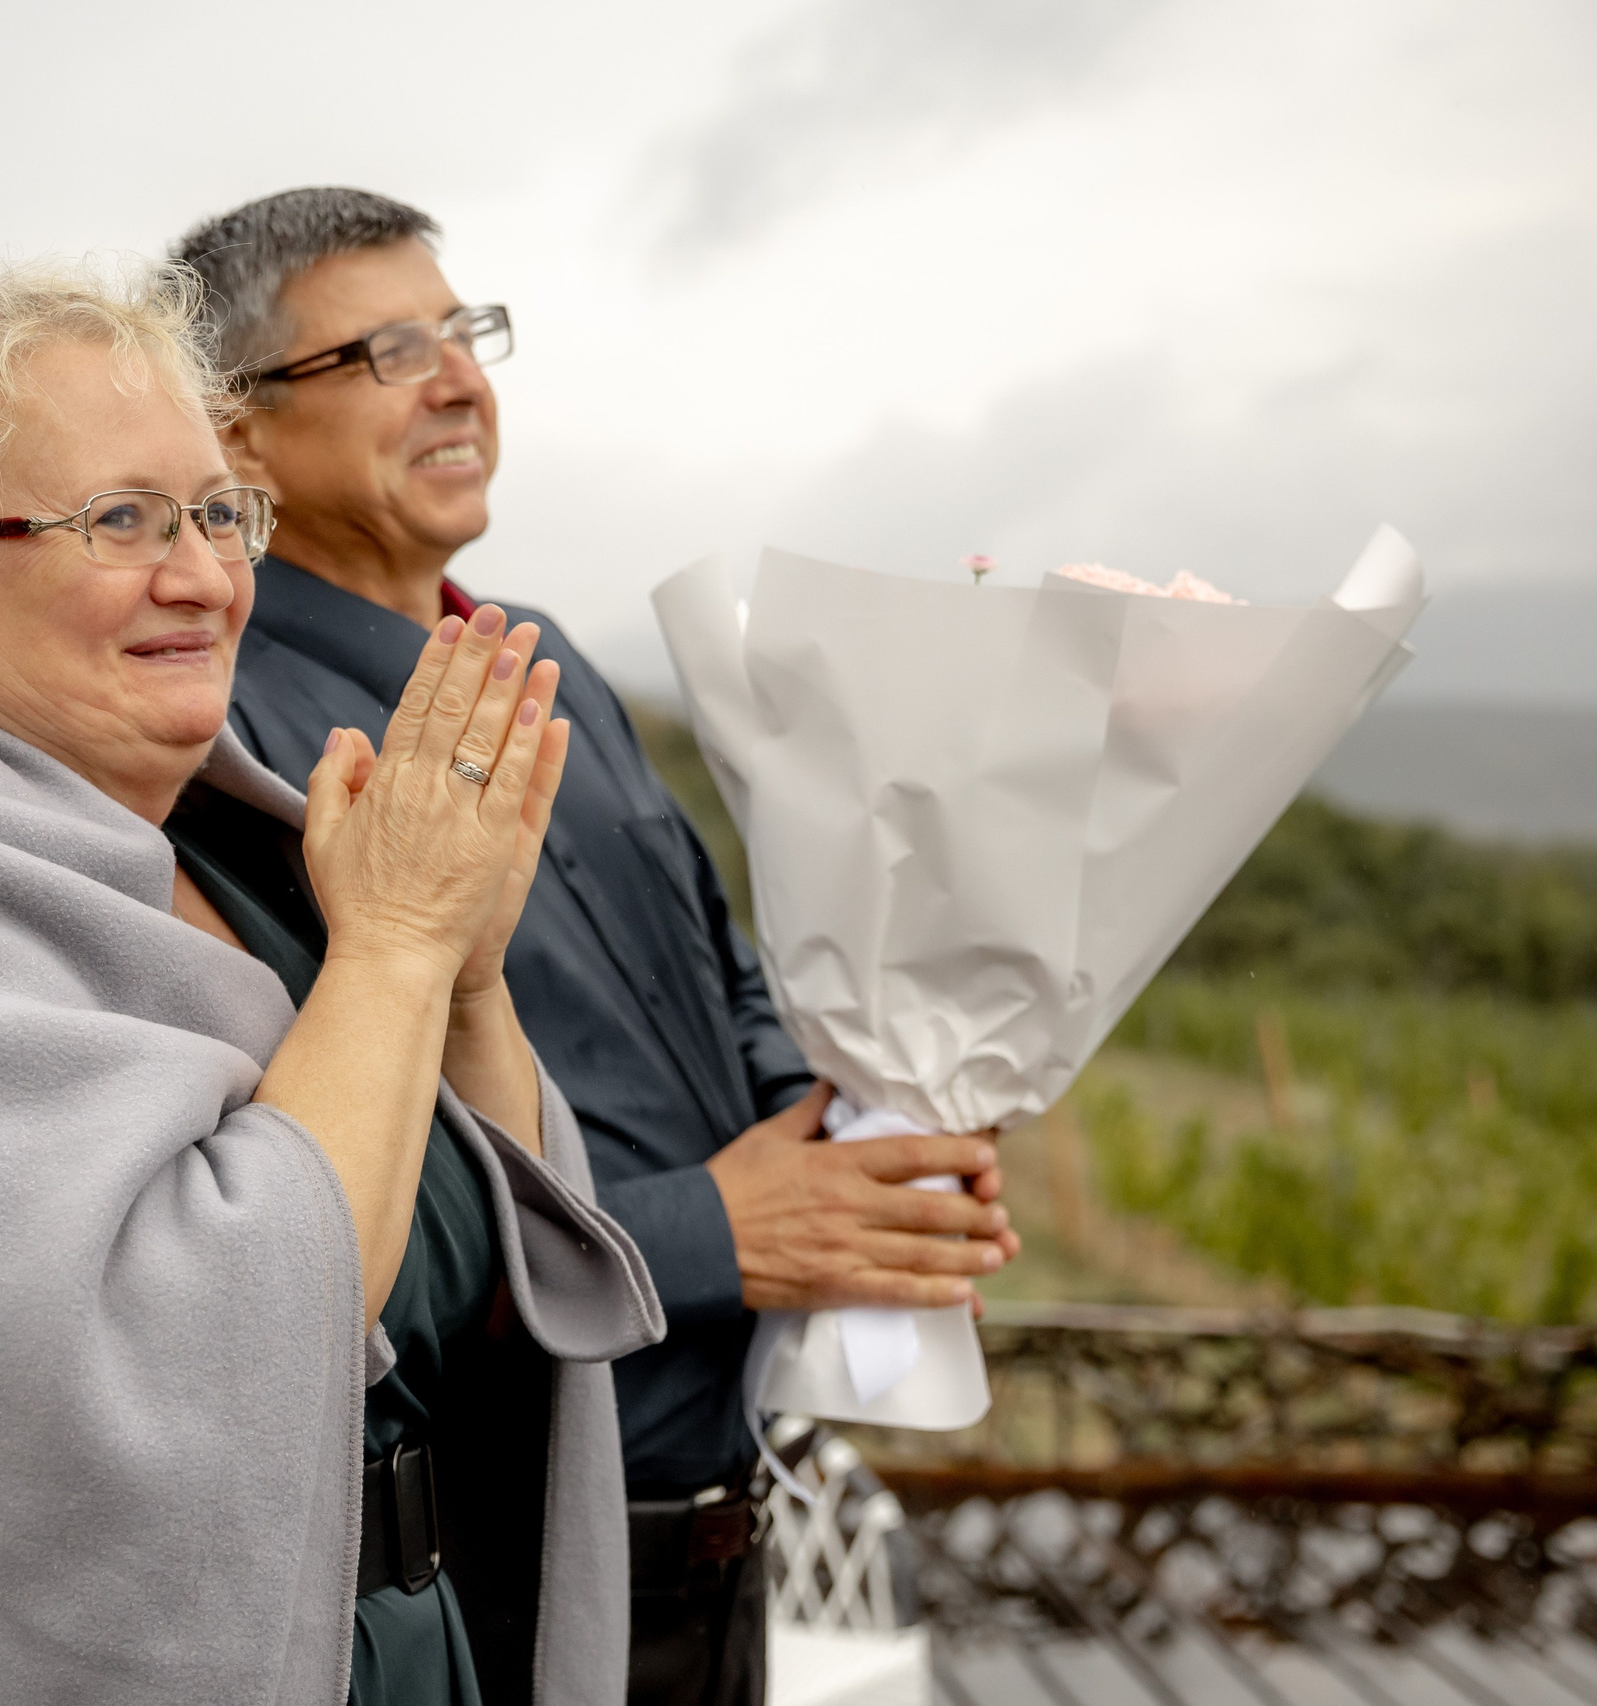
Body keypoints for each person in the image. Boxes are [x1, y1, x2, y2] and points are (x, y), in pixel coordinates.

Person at [0, 263, 664, 1706]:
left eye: (220, 513)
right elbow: (192, 1361)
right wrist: (397, 947)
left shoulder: (243, 850)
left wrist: (460, 981)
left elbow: (491, 1269)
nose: (204, 577)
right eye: (120, 520)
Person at [171, 189, 1023, 1705]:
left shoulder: (547, 657)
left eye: (465, 332)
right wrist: (709, 1231)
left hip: (730, 1518)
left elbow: (725, 965)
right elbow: (328, 1188)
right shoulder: (229, 738)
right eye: (388, 351)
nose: (458, 381)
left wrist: (862, 1149)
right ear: (237, 434)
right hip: (500, 1550)